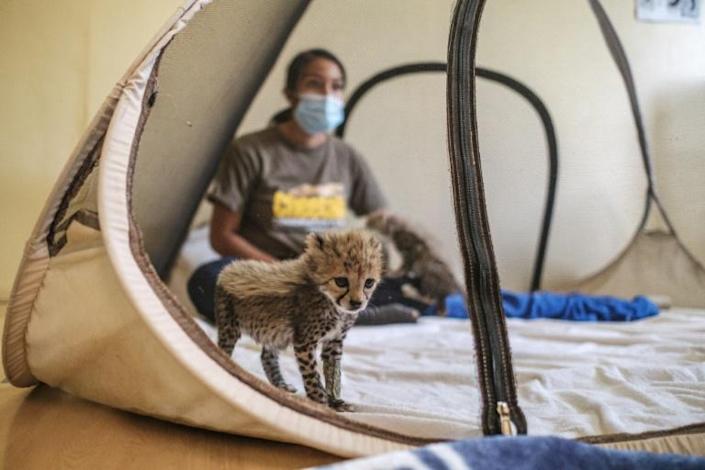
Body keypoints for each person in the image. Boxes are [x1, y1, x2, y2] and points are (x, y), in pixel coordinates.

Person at [188, 49, 427, 323]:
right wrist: (285, 273)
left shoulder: (346, 157)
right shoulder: (250, 150)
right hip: (272, 272)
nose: (327, 94)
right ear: (291, 93)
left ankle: (333, 312)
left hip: (336, 277)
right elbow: (222, 237)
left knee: (430, 290)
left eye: (336, 87)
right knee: (206, 281)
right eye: (315, 83)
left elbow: (381, 220)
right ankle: (353, 316)